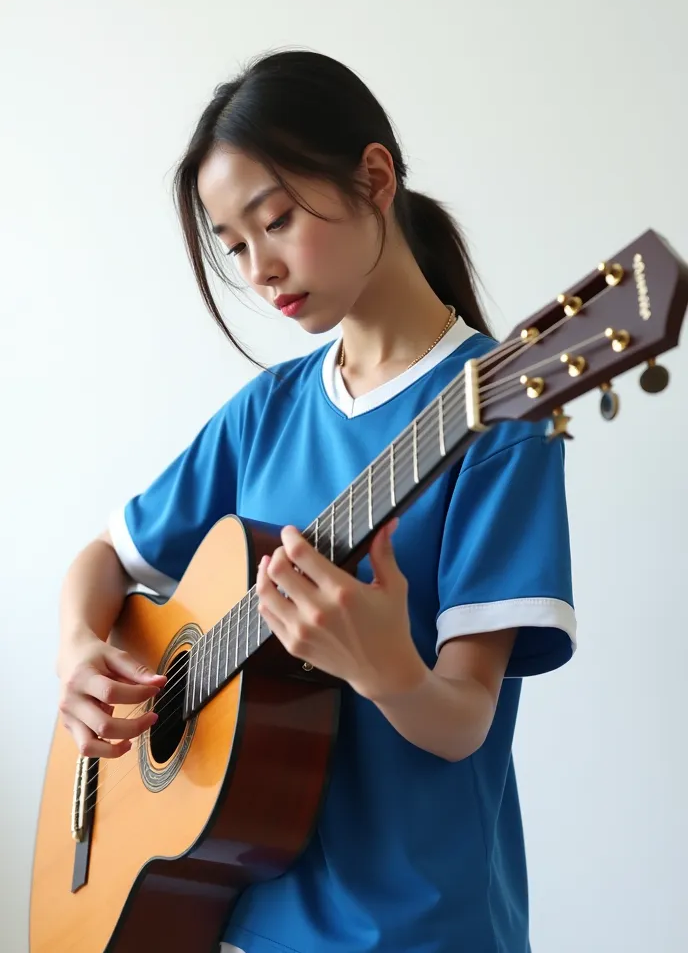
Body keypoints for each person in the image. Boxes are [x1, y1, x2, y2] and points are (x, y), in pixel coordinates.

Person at [56, 49, 576, 953]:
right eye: (235, 245)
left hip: (422, 930)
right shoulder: (268, 412)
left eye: (278, 220)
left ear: (375, 177)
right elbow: (102, 562)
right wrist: (78, 655)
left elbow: (463, 720)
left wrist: (388, 670)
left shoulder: (499, 415)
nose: (260, 269)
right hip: (244, 922)